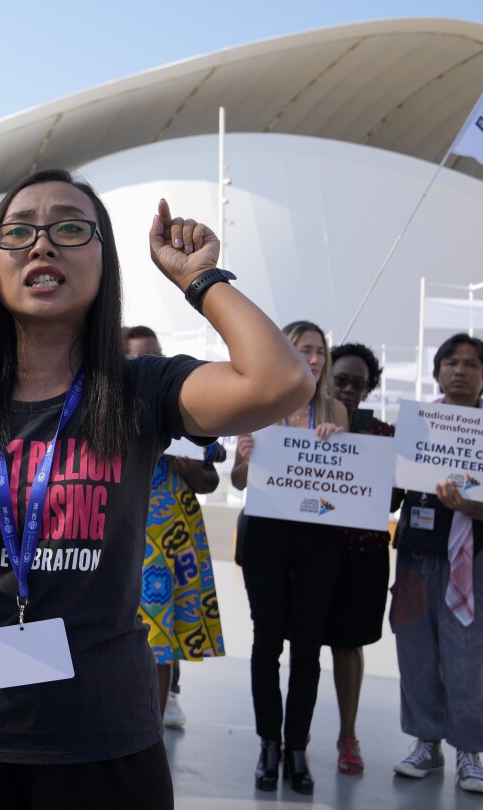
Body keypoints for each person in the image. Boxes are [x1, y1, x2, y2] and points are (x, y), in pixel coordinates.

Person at [0, 169, 313, 809]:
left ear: (104, 260)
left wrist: (198, 280)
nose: (43, 245)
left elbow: (281, 381)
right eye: (19, 232)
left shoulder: (142, 389)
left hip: (104, 740)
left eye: (70, 228)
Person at [390, 333, 483, 795]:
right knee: (417, 655)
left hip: (473, 558)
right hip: (417, 557)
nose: (460, 370)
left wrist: (470, 506)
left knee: (470, 658)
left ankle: (470, 752)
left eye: (472, 364)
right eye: (451, 363)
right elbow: (394, 490)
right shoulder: (416, 425)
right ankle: (426, 743)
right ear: (437, 372)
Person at [231, 320, 347, 795]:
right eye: (305, 349)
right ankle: (268, 744)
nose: (315, 359)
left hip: (318, 538)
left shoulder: (335, 407)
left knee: (307, 647)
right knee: (267, 643)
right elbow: (238, 482)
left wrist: (339, 446)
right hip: (265, 536)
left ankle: (297, 745)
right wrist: (243, 457)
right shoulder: (261, 404)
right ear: (285, 351)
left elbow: (348, 480)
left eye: (320, 351)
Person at [126, 327, 224, 733]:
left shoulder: (179, 407)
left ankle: (156, 714)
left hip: (171, 539)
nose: (146, 362)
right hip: (128, 536)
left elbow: (210, 479)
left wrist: (190, 467)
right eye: (135, 356)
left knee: (161, 639)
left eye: (153, 354)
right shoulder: (108, 408)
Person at [323, 342, 398, 776]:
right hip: (311, 553)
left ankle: (347, 735)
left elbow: (395, 497)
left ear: (370, 389)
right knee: (305, 644)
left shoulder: (383, 435)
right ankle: (298, 731)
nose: (350, 390)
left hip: (362, 555)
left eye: (359, 383)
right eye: (342, 381)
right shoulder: (300, 425)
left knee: (348, 645)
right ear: (326, 380)